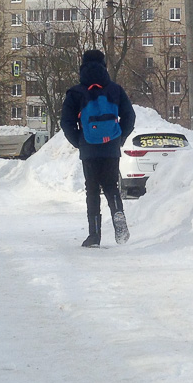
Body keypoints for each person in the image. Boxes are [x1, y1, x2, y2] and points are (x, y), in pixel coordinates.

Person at [60, 49, 136, 247]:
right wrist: (119, 137)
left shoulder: (76, 92)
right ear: (104, 66)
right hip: (111, 147)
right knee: (111, 187)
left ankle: (94, 235)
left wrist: (80, 141)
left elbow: (66, 122)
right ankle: (118, 215)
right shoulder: (115, 90)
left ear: (82, 66)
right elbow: (130, 116)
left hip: (89, 148)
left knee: (92, 190)